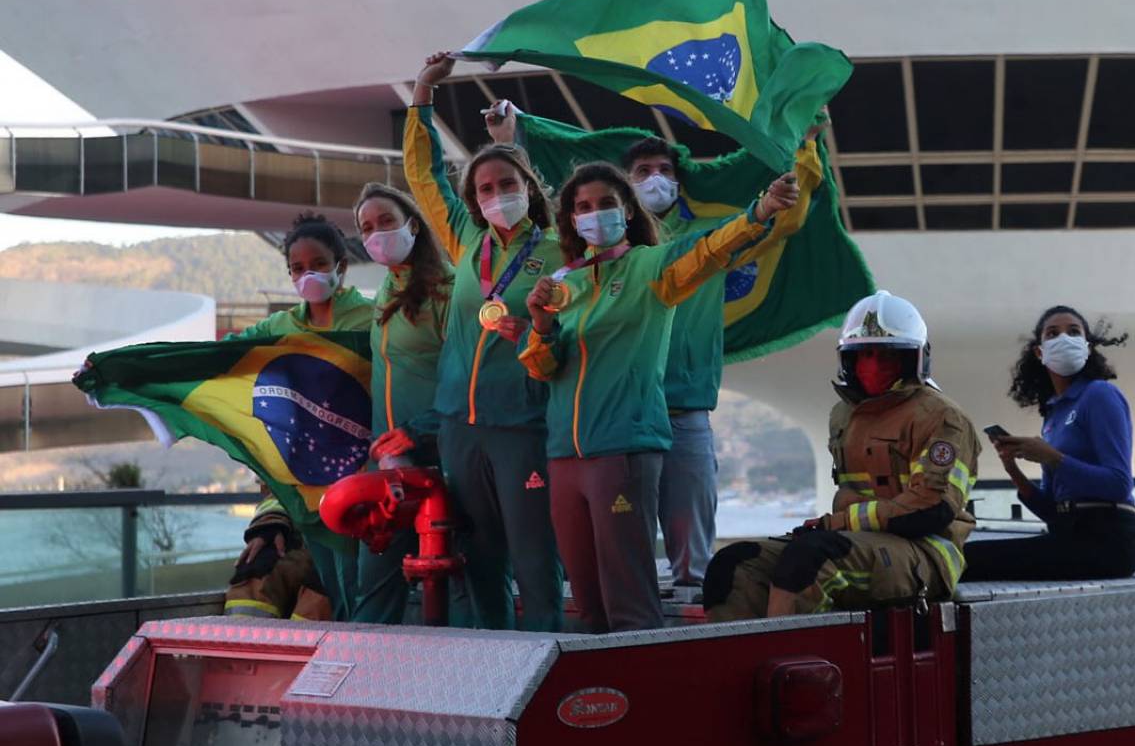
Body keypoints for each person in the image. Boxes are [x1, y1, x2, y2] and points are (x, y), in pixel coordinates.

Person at [488, 102, 827, 589]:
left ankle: (689, 633)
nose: (655, 180)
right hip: (613, 427)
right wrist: (531, 329)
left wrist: (804, 148)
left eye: (664, 171)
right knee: (617, 560)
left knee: (690, 555)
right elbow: (564, 343)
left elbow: (779, 222)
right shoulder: (577, 272)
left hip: (681, 410)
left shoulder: (696, 246)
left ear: (625, 206)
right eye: (643, 172)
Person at [518, 161, 799, 632]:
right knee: (586, 602)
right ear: (569, 220)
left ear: (627, 210)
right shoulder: (565, 282)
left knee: (628, 598)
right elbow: (544, 368)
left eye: (605, 203)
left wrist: (758, 213)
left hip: (624, 450)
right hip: (565, 455)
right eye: (582, 207)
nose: (593, 214)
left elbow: (707, 251)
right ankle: (594, 698)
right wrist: (541, 323)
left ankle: (639, 694)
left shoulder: (652, 267)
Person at [405, 52, 565, 631]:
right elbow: (423, 179)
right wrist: (424, 91)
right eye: (486, 187)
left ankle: (547, 663)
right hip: (459, 427)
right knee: (479, 562)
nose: (497, 193)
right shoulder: (467, 241)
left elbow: (574, 332)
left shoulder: (558, 251)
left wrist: (531, 331)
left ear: (528, 186)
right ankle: (494, 667)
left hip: (524, 425)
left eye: (507, 183)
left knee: (534, 557)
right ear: (474, 199)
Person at [704, 291, 979, 620]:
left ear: (915, 360)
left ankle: (794, 663)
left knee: (811, 561)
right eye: (864, 356)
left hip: (924, 551)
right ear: (848, 360)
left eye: (886, 356)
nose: (873, 366)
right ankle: (741, 663)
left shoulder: (942, 418)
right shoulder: (844, 415)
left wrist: (836, 524)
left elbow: (931, 509)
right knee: (735, 564)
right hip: (855, 543)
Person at [228, 212, 376, 612]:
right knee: (282, 582)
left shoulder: (374, 319)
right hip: (304, 491)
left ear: (341, 267)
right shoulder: (281, 327)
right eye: (297, 268)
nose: (307, 275)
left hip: (363, 486)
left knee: (340, 595)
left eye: (319, 265)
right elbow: (221, 356)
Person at [964, 305, 1135, 581]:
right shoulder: (1054, 414)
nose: (1064, 338)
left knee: (965, 561)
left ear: (1087, 345)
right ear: (1039, 352)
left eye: (1073, 332)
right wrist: (1012, 469)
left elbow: (1119, 483)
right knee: (961, 557)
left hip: (1107, 540)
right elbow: (1052, 509)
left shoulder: (1100, 394)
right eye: (1053, 333)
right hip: (1069, 535)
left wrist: (1052, 457)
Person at [349, 183, 453, 624]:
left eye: (386, 221)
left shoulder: (448, 289)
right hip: (387, 466)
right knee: (373, 587)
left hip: (441, 459)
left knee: (454, 581)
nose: (376, 234)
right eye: (366, 227)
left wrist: (419, 429)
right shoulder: (384, 293)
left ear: (413, 224)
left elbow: (468, 379)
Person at [224, 497, 332, 622]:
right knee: (258, 569)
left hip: (349, 545)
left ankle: (303, 638)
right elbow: (279, 494)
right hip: (306, 540)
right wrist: (271, 523)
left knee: (323, 591)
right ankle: (239, 635)